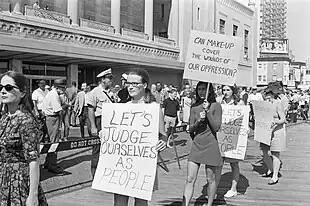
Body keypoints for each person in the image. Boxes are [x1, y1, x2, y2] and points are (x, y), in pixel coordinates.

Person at [113, 67, 167, 206]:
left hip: (143, 163)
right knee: (119, 201)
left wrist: (162, 143)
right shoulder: (122, 107)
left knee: (141, 202)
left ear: (144, 85)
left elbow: (163, 135)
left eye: (134, 83)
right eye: (128, 83)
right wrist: (105, 134)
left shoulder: (154, 108)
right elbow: (115, 133)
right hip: (123, 163)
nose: (130, 87)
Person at [0, 71, 48, 205]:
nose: (3, 91)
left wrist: (33, 195)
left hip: (19, 182)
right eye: (1, 87)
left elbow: (33, 160)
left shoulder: (26, 121)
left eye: (8, 88)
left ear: (22, 93)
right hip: (3, 180)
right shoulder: (4, 118)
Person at [183, 81, 223, 206]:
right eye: (199, 89)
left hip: (211, 145)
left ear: (209, 91)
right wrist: (199, 121)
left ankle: (209, 203)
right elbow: (191, 129)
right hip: (197, 145)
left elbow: (216, 127)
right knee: (190, 178)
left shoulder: (216, 106)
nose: (201, 91)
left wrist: (208, 112)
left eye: (203, 89)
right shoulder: (194, 107)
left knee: (210, 179)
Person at [87, 68, 115, 177]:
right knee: (97, 148)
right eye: (109, 79)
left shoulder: (111, 92)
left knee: (108, 148)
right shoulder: (95, 92)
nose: (111, 81)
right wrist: (93, 127)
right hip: (100, 121)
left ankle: (106, 173)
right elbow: (90, 110)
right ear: (103, 80)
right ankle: (95, 174)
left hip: (110, 121)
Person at [219, 85, 245, 198]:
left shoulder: (239, 103)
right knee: (217, 163)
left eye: (228, 90)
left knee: (234, 163)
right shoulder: (219, 101)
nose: (225, 92)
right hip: (221, 135)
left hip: (233, 135)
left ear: (232, 91)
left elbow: (244, 119)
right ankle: (215, 186)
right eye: (224, 90)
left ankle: (233, 188)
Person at [261, 84, 286, 185]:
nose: (267, 95)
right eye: (266, 93)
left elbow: (283, 119)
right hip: (265, 131)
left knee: (275, 154)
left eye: (269, 93)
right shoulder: (263, 104)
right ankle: (271, 169)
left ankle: (275, 176)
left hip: (276, 131)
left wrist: (275, 121)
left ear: (273, 94)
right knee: (264, 152)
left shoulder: (277, 104)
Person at [42, 79, 66, 174]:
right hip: (52, 118)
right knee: (54, 143)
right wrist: (66, 106)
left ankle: (48, 162)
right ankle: (53, 165)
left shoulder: (52, 94)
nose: (63, 90)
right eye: (62, 88)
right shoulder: (54, 95)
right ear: (56, 87)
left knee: (51, 141)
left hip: (50, 118)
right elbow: (58, 110)